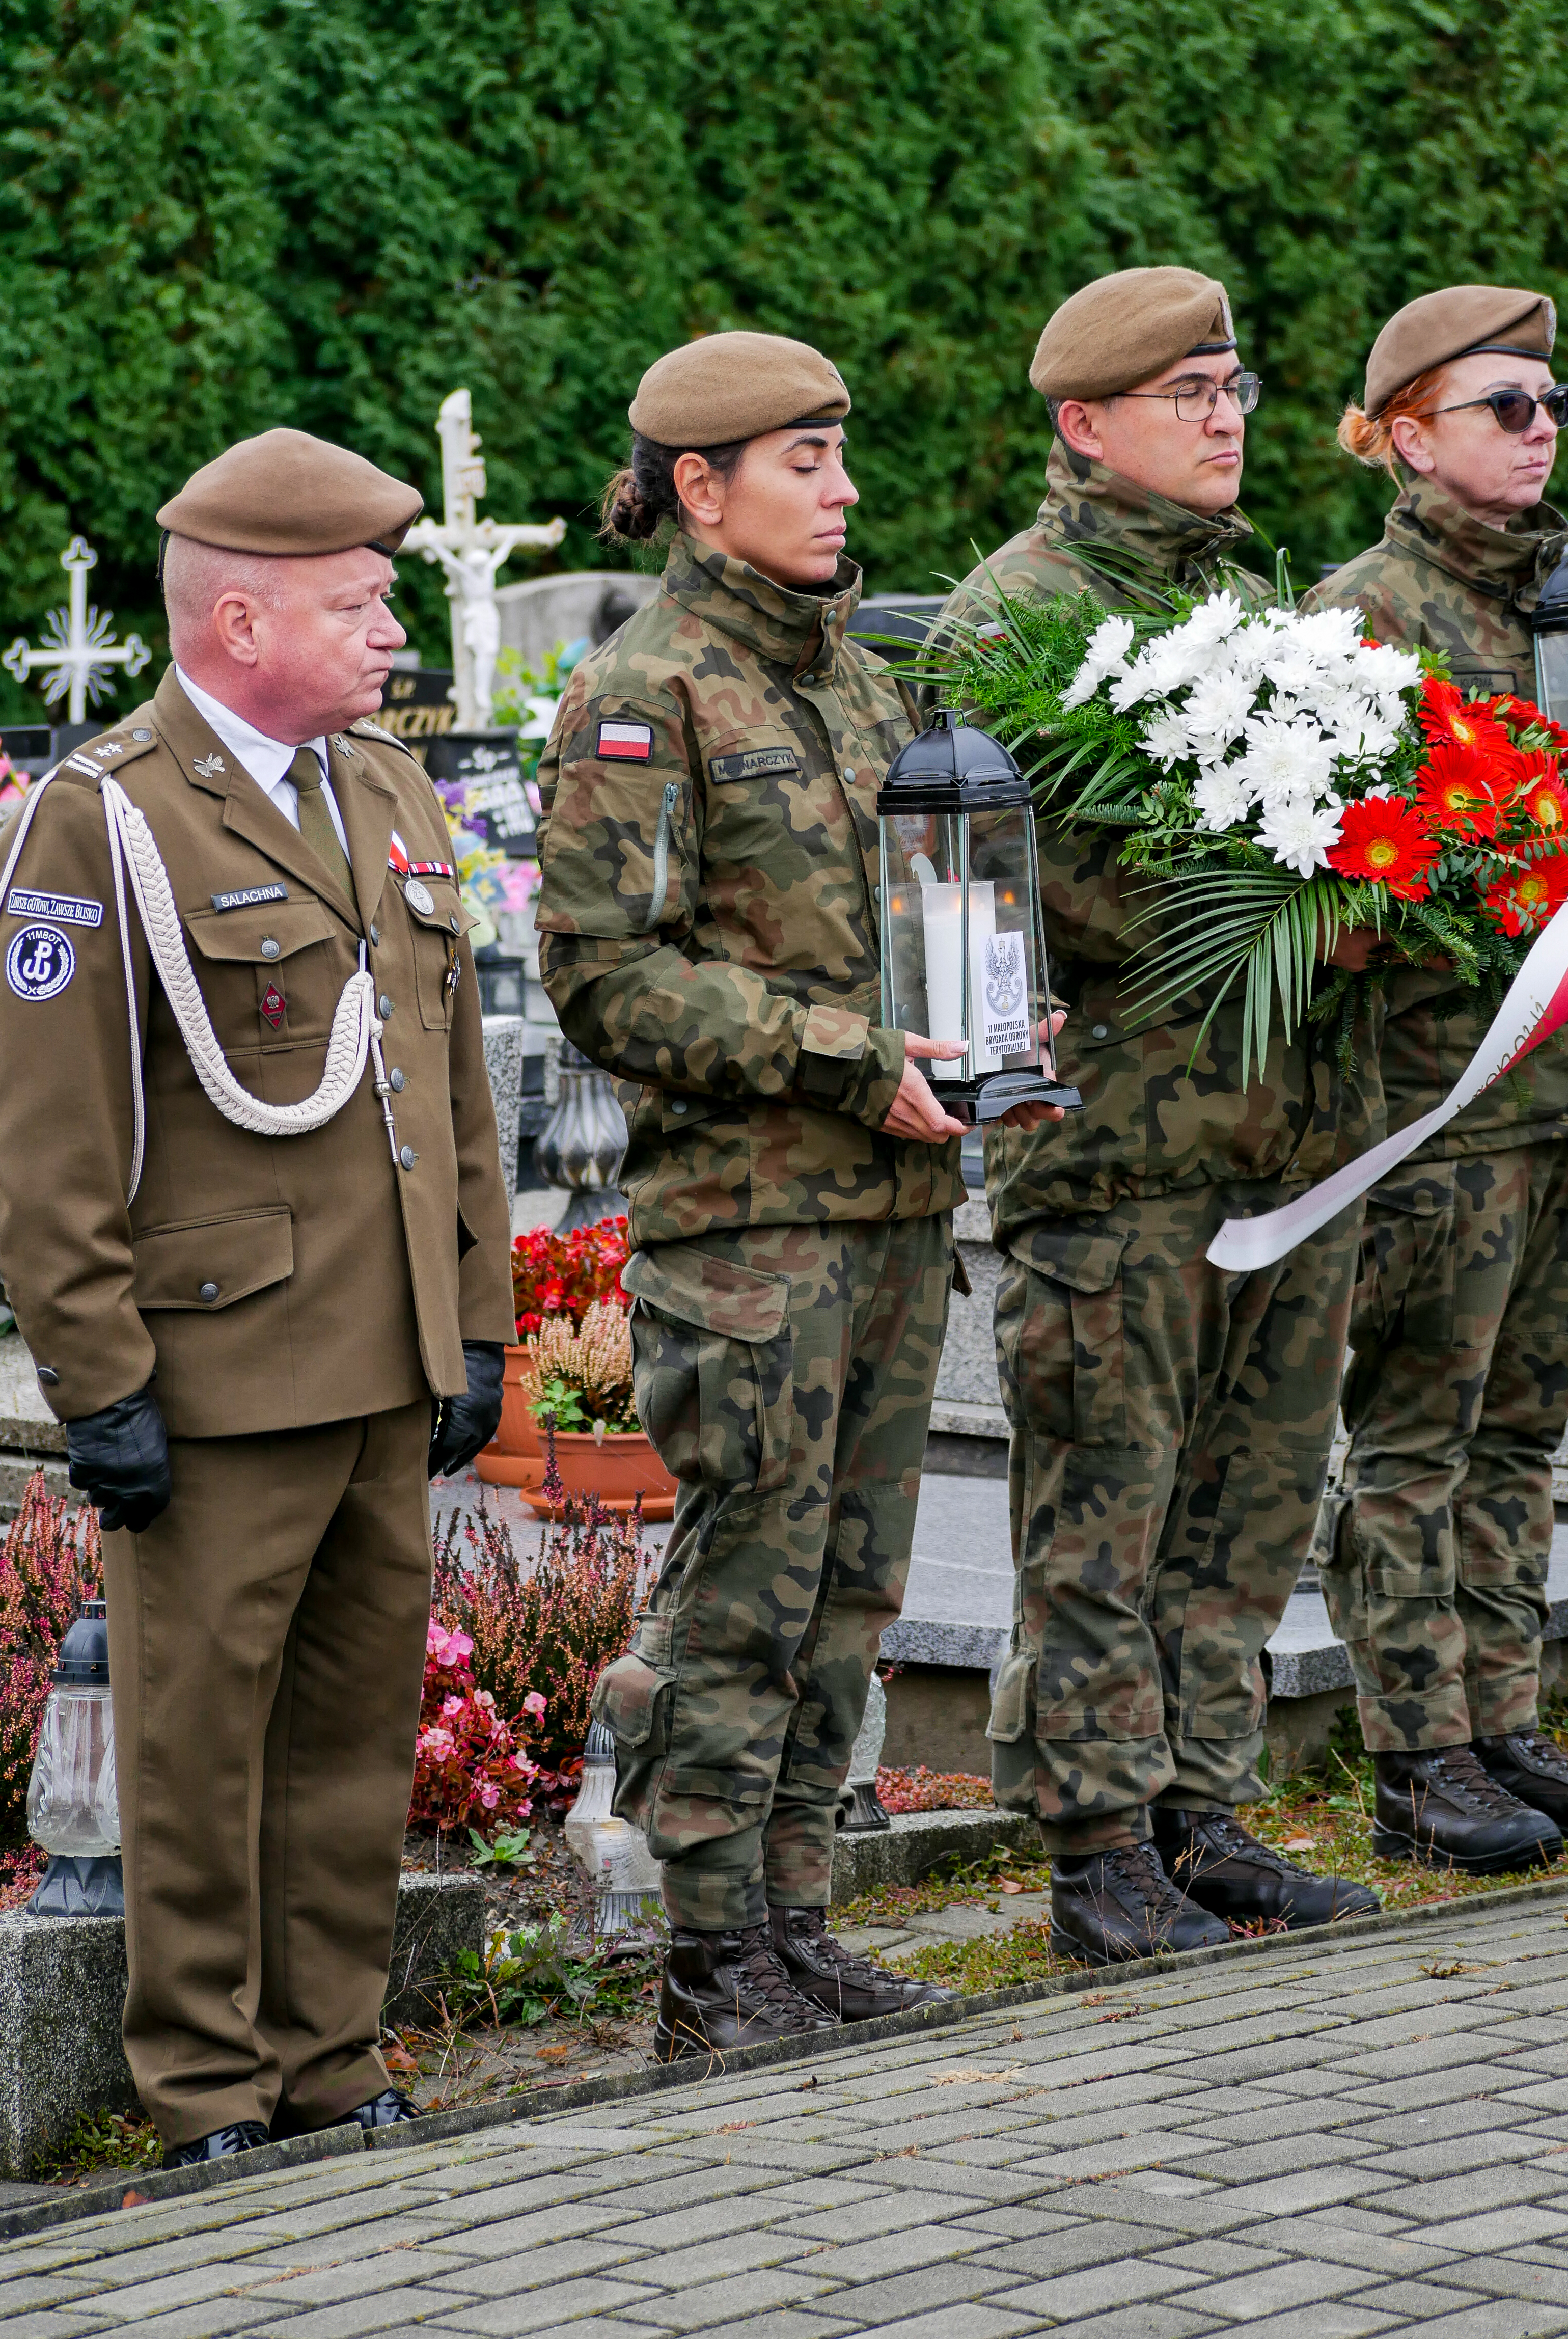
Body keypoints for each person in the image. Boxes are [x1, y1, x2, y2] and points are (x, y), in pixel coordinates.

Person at [0, 428, 513, 2166]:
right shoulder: (106, 815)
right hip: (212, 1372)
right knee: (200, 1756)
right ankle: (205, 2093)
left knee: (356, 1736)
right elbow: (49, 1131)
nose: (389, 636)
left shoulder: (390, 792)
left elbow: (455, 1086)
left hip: (380, 1355)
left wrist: (481, 1318)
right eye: (357, 605)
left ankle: (330, 2061)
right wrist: (93, 1381)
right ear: (239, 624)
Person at [536, 331, 1062, 2057]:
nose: (846, 489)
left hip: (897, 1215)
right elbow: (610, 981)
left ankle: (795, 1921)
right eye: (808, 459)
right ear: (702, 484)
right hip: (754, 1230)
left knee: (848, 1590)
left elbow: (924, 908)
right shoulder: (647, 693)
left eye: (844, 454)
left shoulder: (855, 677)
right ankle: (705, 1962)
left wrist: (992, 1020)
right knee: (745, 1594)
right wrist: (852, 1051)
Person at [936, 267, 1382, 1963]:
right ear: (1085, 424)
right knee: (1101, 1522)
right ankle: (1096, 1848)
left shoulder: (1260, 600)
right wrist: (1305, 888)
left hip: (1280, 1143)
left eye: (1235, 386)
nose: (1224, 418)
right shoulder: (1012, 620)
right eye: (1186, 393)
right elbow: (1019, 893)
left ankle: (1203, 1809)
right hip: (1116, 1153)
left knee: (1252, 1503)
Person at [1303, 285, 1568, 1868]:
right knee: (1414, 1444)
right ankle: (1417, 1753)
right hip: (1448, 1104)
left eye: (1551, 404)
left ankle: (1506, 1726)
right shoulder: (1354, 622)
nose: (1539, 433)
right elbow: (1316, 889)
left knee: (1529, 1438)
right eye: (1502, 407)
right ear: (1400, 432)